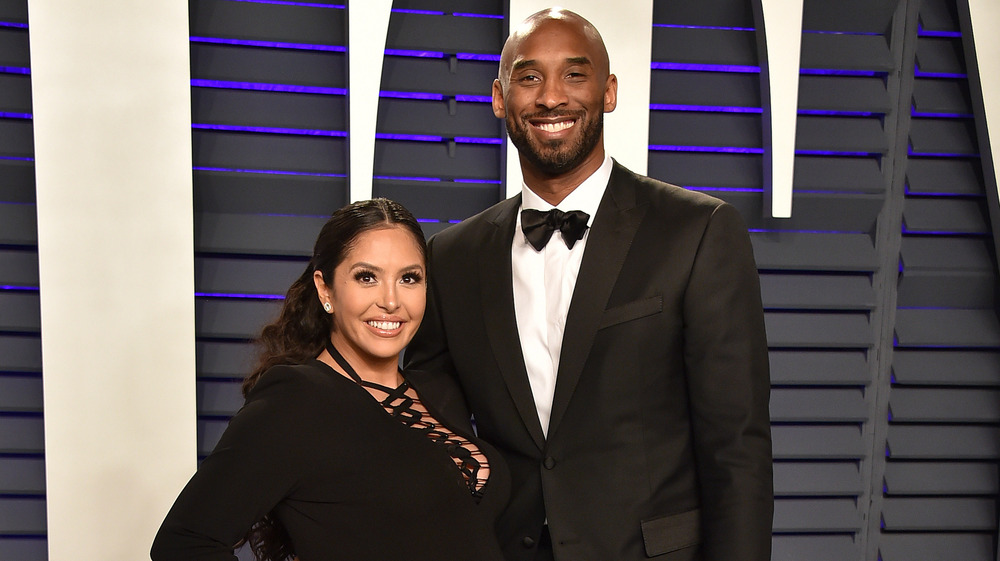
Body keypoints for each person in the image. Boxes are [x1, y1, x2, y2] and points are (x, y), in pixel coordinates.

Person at [405, 8, 773, 561]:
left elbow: (736, 449)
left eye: (574, 75)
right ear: (499, 98)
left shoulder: (696, 231)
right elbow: (432, 428)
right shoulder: (452, 257)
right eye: (529, 77)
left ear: (609, 92)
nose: (552, 97)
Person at [151, 199, 508, 561]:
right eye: (366, 277)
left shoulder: (437, 389)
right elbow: (185, 542)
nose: (390, 300)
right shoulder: (296, 400)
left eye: (408, 278)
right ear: (325, 289)